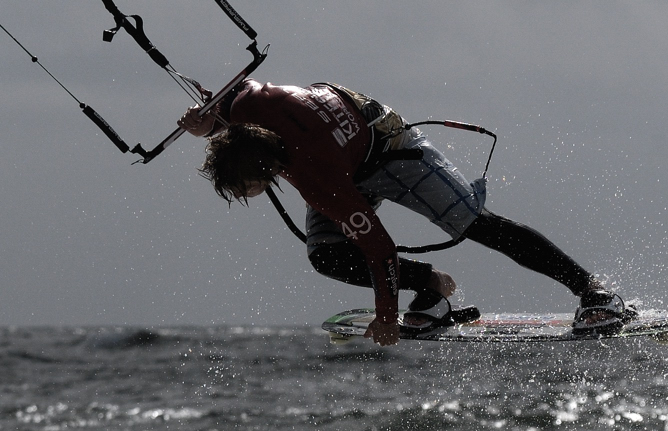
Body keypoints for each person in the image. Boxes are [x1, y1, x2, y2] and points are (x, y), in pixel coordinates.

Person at [178, 79, 635, 346]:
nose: (247, 195)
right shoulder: (249, 104)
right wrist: (208, 118)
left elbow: (378, 248)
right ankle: (433, 289)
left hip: (392, 150)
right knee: (327, 256)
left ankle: (595, 291)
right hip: (343, 152)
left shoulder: (318, 182)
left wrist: (385, 314)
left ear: (269, 168)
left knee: (477, 225)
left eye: (247, 188)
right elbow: (235, 90)